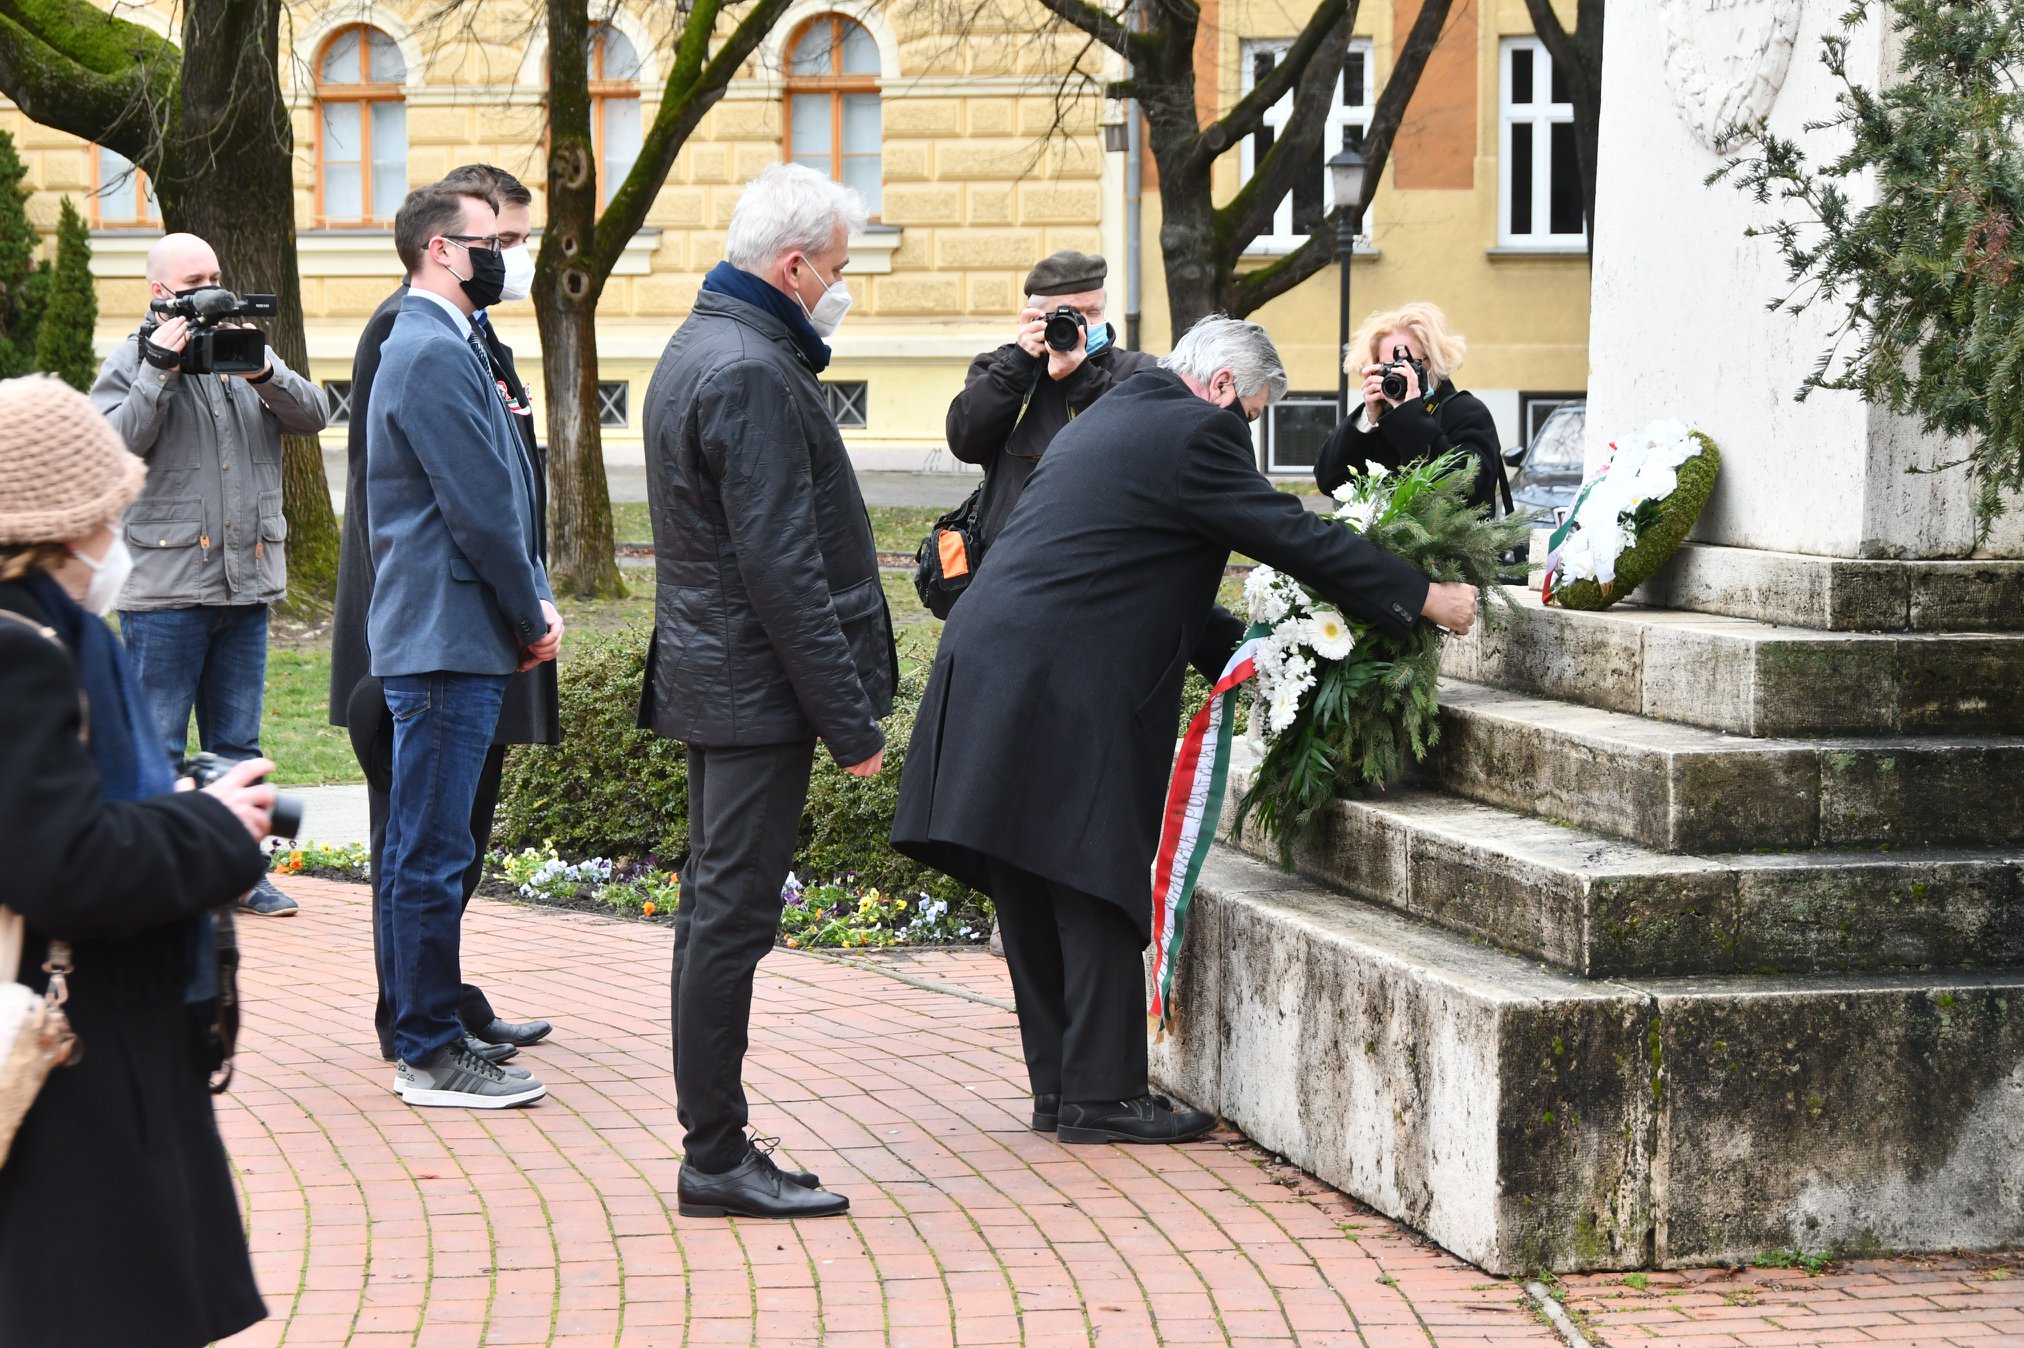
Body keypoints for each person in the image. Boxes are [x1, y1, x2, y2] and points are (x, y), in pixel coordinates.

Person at [891, 317, 1479, 1144]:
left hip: (993, 660)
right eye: (1252, 415)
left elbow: (1145, 571)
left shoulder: (1114, 417)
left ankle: (1062, 1090)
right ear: (1224, 387)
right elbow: (1292, 535)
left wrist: (1250, 661)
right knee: (1090, 873)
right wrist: (1421, 596)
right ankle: (1103, 1099)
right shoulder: (1199, 432)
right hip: (1064, 681)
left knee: (1026, 876)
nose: (1246, 433)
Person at [639, 162, 896, 1220]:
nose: (841, 284)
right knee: (728, 920)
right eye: (835, 266)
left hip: (726, 681)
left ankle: (715, 1144)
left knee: (716, 912)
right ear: (793, 267)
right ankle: (714, 1154)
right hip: (751, 691)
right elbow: (782, 570)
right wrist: (851, 724)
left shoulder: (709, 340)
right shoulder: (747, 367)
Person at [0, 375, 278, 1347]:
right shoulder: (23, 649)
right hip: (72, 1054)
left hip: (97, 1042)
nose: (119, 530)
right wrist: (211, 825)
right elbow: (59, 863)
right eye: (112, 509)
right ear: (65, 527)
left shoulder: (48, 634)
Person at [330, 165, 558, 1065]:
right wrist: (529, 609)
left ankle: (432, 1013)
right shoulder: (421, 340)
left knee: (438, 846)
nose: (506, 259)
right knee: (425, 850)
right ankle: (422, 1036)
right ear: (442, 248)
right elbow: (471, 504)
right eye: (494, 244)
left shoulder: (459, 334)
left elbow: (504, 482)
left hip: (464, 625)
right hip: (440, 629)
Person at [89, 231, 329, 918]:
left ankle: (243, 876)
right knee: (159, 746)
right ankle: (157, 878)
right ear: (160, 291)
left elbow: (313, 415)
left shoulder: (241, 348)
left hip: (244, 582)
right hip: (165, 588)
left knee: (237, 747)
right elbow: (111, 450)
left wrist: (263, 370)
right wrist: (157, 372)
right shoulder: (130, 358)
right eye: (195, 282)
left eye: (216, 276)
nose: (212, 291)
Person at [945, 250, 1158, 545]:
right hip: (1014, 548)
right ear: (1034, 317)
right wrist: (1018, 366)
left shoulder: (1138, 369)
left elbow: (1152, 439)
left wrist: (1083, 378)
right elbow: (964, 442)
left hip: (1105, 548)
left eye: (1094, 312)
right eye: (1071, 314)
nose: (1084, 324)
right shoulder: (998, 368)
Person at [1313, 300, 1506, 515]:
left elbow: (1467, 490)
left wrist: (1409, 415)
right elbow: (1329, 481)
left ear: (1433, 361)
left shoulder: (1466, 412)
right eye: (1386, 366)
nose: (1397, 373)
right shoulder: (1378, 418)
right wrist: (1367, 419)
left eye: (1407, 364)